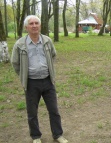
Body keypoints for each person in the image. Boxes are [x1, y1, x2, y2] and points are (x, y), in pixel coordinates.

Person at [11, 15, 68, 143]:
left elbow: (53, 55)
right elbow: (15, 63)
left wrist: (49, 70)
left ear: (40, 25)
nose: (34, 25)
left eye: (37, 23)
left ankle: (58, 135)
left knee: (54, 110)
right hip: (31, 83)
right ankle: (36, 137)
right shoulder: (20, 44)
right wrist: (24, 75)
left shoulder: (47, 40)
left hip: (48, 81)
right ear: (26, 27)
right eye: (31, 23)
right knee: (32, 113)